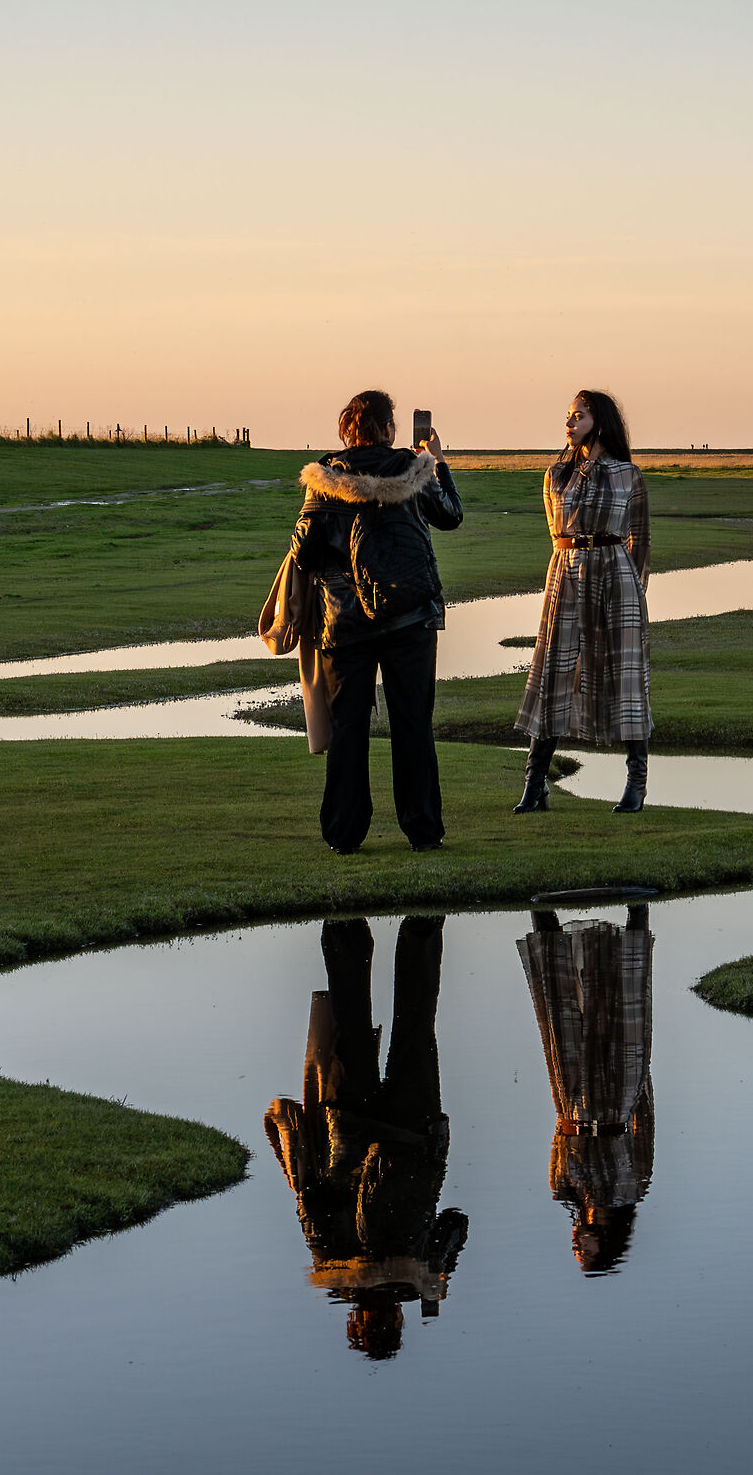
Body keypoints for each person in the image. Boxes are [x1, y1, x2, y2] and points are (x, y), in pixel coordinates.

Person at [263, 915, 468, 1356]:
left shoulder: (420, 1282)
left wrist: (439, 1275)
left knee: (415, 1028)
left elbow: (456, 1220)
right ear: (355, 1321)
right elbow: (312, 1198)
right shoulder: (332, 1268)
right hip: (350, 1133)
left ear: (396, 1321)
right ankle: (344, 927)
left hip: (415, 1137)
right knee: (351, 1030)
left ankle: (422, 923)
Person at [292, 389, 464, 852]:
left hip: (344, 621)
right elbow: (450, 516)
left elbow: (303, 550)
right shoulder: (414, 468)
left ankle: (344, 833)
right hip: (411, 616)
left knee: (349, 728)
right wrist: (439, 462)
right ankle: (422, 830)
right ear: (389, 429)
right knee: (413, 724)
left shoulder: (325, 478)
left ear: (346, 430)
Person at [512, 389, 652, 814]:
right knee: (555, 673)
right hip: (567, 574)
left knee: (626, 675)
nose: (570, 423)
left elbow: (641, 541)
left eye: (580, 416)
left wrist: (634, 589)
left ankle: (636, 781)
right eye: (568, 416)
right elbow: (556, 532)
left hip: (616, 575)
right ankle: (535, 784)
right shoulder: (555, 474)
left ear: (601, 421)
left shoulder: (629, 475)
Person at [517, 905, 654, 1273]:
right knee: (624, 1012)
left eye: (576, 1248)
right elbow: (644, 1136)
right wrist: (643, 1084)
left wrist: (563, 1105)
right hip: (615, 1102)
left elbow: (557, 1144)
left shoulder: (564, 1192)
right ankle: (637, 912)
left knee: (557, 1009)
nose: (577, 1242)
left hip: (571, 1102)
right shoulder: (631, 1191)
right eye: (584, 1251)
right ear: (605, 1246)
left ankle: (540, 908)